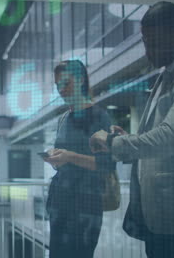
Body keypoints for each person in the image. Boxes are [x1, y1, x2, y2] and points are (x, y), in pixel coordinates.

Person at [89, 1, 174, 258]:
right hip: (162, 219)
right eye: (146, 43)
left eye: (155, 42)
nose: (149, 52)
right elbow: (164, 137)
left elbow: (170, 138)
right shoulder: (167, 75)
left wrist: (115, 143)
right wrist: (127, 138)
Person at [44, 60, 114, 258]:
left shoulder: (99, 116)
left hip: (85, 207)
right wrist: (57, 159)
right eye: (58, 85)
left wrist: (70, 157)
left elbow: (107, 164)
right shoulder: (64, 119)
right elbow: (66, 161)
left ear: (81, 80)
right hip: (60, 204)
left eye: (66, 83)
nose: (61, 89)